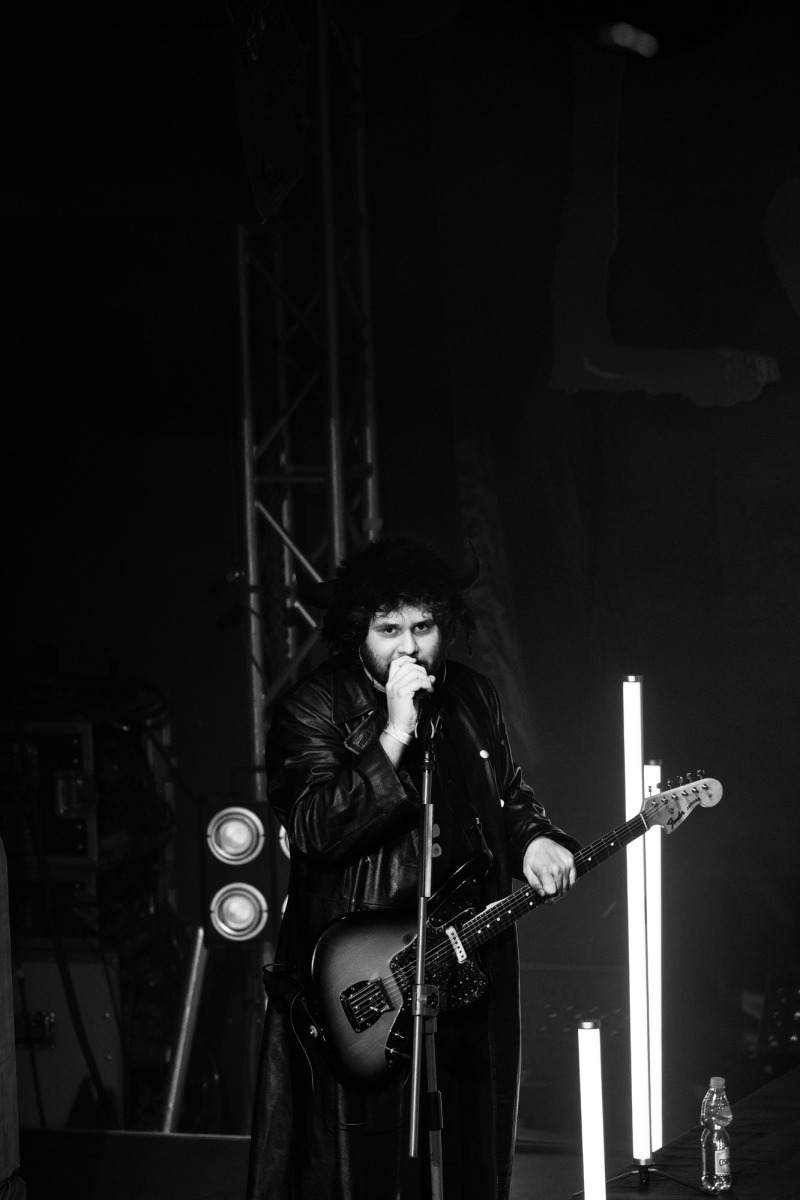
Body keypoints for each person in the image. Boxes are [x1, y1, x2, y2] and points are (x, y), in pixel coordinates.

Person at [246, 537, 580, 1200]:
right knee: (365, 1158)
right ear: (358, 631)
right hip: (366, 973)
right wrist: (393, 735)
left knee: (469, 1138)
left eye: (423, 627)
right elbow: (313, 830)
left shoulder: (473, 695)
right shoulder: (313, 708)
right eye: (389, 629)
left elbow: (506, 794)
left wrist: (533, 839)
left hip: (464, 951)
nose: (409, 647)